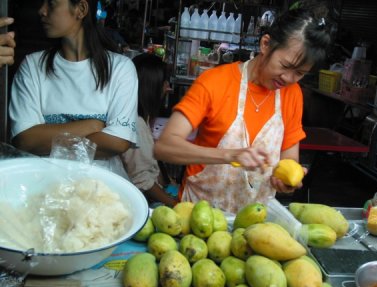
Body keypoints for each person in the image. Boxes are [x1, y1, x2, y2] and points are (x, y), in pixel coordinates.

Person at [154, 3, 332, 213]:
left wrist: (284, 180)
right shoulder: (215, 82)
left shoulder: (292, 94)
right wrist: (230, 155)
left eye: (300, 73)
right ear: (266, 44)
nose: (289, 78)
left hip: (256, 222)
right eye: (285, 66)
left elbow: (289, 158)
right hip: (199, 215)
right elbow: (164, 147)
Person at [9, 0, 138, 178]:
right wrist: (92, 125)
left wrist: (47, 137)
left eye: (52, 4)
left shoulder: (120, 68)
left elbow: (117, 142)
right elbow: (25, 140)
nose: (41, 11)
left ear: (81, 9)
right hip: (45, 186)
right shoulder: (33, 66)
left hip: (104, 189)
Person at [121, 53, 178, 207]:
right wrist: (175, 205)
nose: (168, 87)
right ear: (151, 85)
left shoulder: (142, 118)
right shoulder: (136, 123)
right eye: (164, 82)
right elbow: (143, 180)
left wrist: (168, 184)